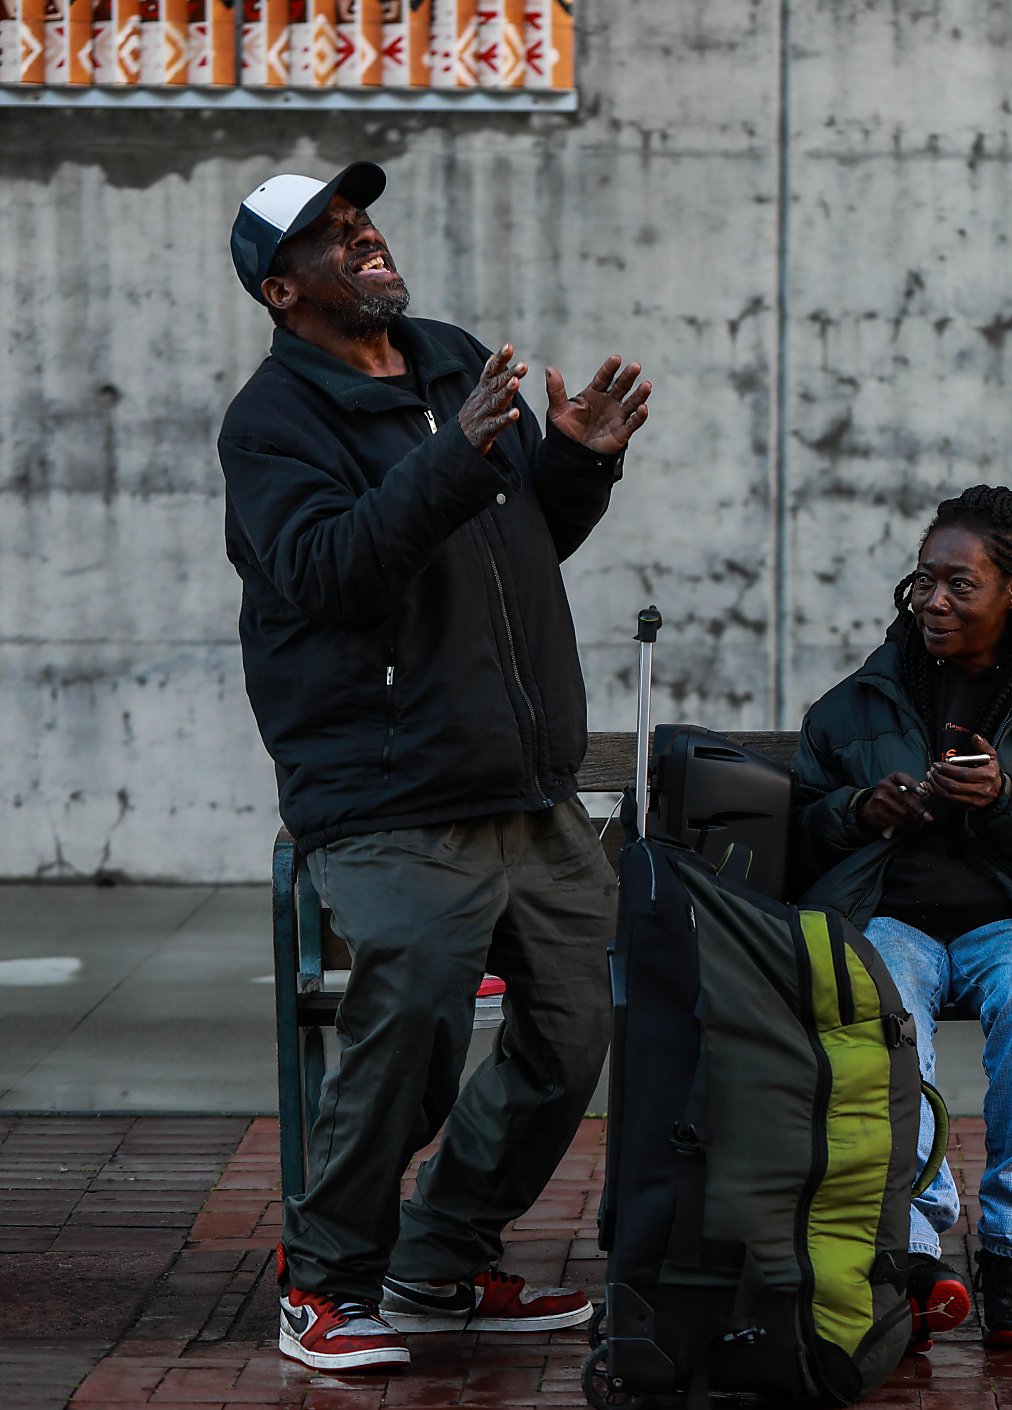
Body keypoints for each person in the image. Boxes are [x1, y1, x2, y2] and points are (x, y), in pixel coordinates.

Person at [217, 162, 652, 1373]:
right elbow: (330, 576)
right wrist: (455, 463)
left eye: (361, 220)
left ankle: (440, 1261)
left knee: (572, 1030)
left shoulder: (452, 358)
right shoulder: (270, 425)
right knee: (410, 1010)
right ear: (279, 290)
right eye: (328, 237)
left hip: (523, 782)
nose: (363, 240)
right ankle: (327, 1279)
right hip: (389, 791)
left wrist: (573, 466)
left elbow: (512, 549)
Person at [791, 485, 1012, 1349]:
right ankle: (913, 1249)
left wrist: (1007, 797)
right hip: (891, 916)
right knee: (887, 1000)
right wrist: (862, 810)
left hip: (1011, 920)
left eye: (959, 584)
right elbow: (799, 830)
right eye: (923, 583)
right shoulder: (857, 702)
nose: (935, 601)